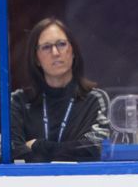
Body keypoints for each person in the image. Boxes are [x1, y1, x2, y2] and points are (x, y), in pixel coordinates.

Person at [10, 18, 110, 162]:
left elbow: (95, 150)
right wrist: (70, 151)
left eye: (61, 44)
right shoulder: (18, 101)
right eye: (46, 47)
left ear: (73, 51)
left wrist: (38, 146)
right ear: (36, 58)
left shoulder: (95, 99)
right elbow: (13, 154)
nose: (55, 52)